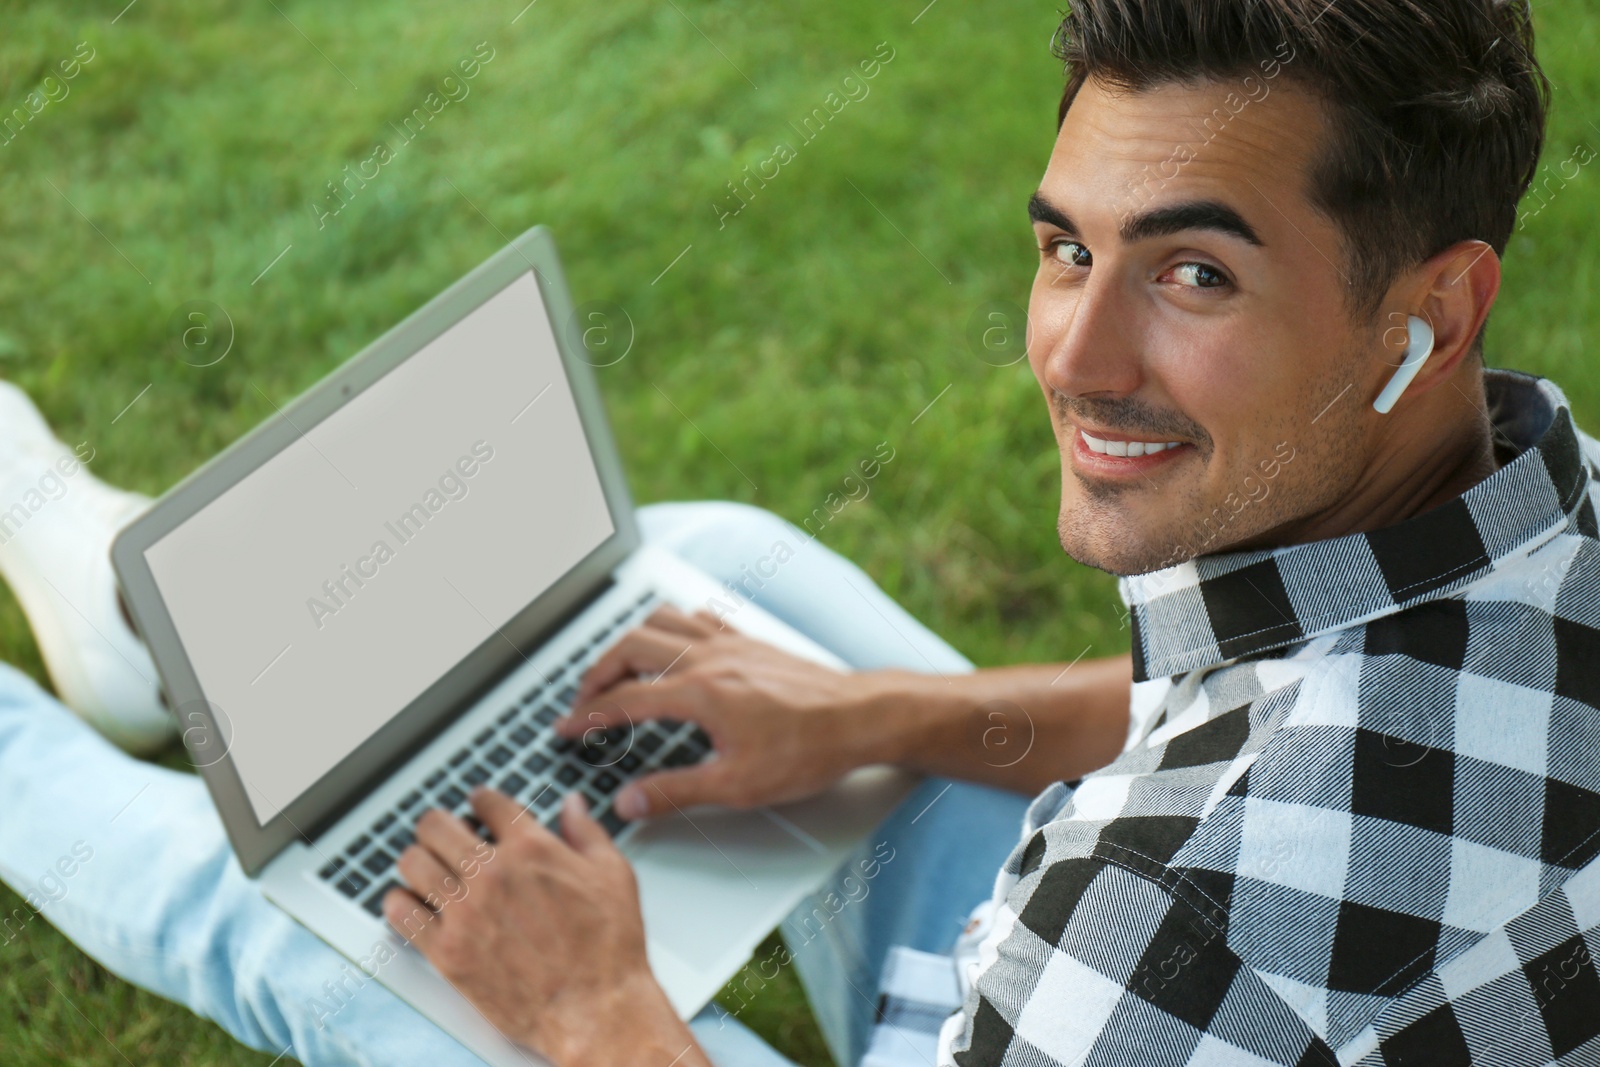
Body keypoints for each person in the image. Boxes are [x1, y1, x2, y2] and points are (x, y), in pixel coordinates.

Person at [3, 1, 1598, 1065]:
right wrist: (875, 715)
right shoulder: (1545, 501)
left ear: (1433, 309)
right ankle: (145, 625)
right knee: (731, 581)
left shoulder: (1159, 942)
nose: (1076, 357)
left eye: (1196, 276)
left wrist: (596, 1006)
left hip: (1055, 1017)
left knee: (338, 928)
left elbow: (1228, 867)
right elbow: (1271, 709)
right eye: (1068, 249)